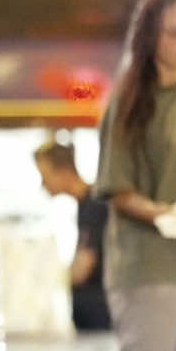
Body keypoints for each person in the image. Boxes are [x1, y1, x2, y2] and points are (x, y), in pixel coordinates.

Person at [53, 0, 176, 351]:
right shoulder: (130, 101)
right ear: (151, 37)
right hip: (144, 257)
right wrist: (164, 214)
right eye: (174, 31)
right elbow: (115, 188)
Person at [34, 138, 111, 333]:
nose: (43, 184)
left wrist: (43, 280)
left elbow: (83, 266)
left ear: (63, 171)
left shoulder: (94, 206)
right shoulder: (85, 205)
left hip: (98, 318)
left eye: (45, 175)